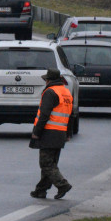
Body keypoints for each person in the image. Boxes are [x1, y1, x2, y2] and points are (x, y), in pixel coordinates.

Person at [29, 68, 73, 200]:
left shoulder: (50, 92)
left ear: (48, 80)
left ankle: (62, 184)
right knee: (51, 163)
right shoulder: (66, 92)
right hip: (60, 133)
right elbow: (71, 115)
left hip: (49, 132)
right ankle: (40, 190)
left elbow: (44, 115)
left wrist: (36, 131)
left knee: (46, 164)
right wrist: (68, 133)